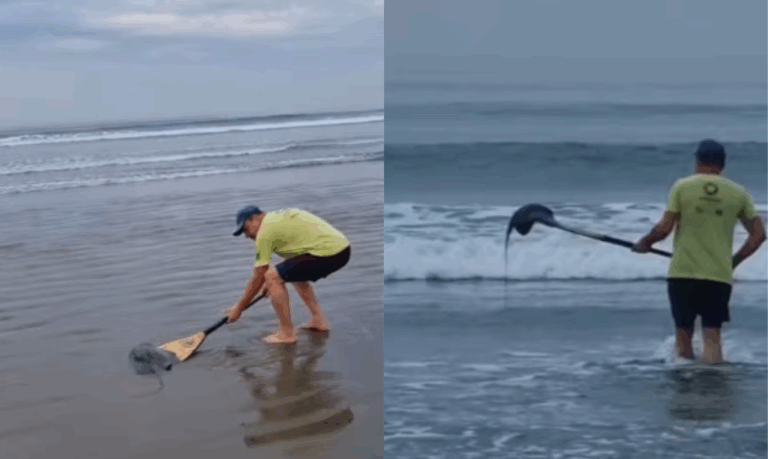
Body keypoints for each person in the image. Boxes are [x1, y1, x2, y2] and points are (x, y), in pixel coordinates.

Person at [633, 140, 766, 364]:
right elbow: (759, 235)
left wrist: (645, 243)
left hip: (683, 273)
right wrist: (732, 262)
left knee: (683, 334)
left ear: (697, 161)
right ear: (722, 164)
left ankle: (685, 387)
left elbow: (664, 229)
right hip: (718, 276)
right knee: (712, 335)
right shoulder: (738, 193)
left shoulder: (682, 186)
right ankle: (714, 386)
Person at [228, 205, 351, 344]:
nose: (246, 235)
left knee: (272, 276)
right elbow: (291, 263)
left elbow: (259, 275)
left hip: (329, 253)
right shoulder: (277, 218)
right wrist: (270, 285)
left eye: (245, 229)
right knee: (288, 274)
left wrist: (239, 308)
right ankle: (319, 321)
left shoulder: (264, 232)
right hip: (342, 249)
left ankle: (287, 334)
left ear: (254, 219)